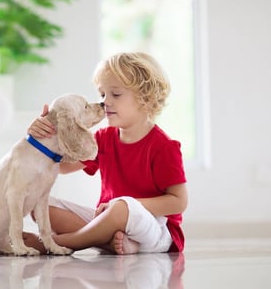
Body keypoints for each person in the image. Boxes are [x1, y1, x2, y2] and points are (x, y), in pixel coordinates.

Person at [25, 52, 188, 255]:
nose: (105, 102)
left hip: (156, 229)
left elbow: (178, 202)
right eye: (102, 94)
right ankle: (109, 242)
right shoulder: (103, 138)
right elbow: (63, 167)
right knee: (42, 203)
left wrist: (123, 206)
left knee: (121, 206)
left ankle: (57, 242)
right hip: (110, 218)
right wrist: (46, 136)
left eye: (115, 94)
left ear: (145, 99)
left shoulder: (164, 147)